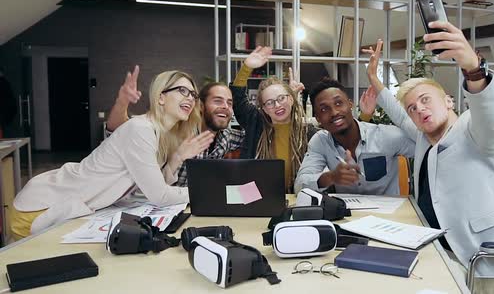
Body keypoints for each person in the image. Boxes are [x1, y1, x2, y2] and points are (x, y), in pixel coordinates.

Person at [364, 21, 494, 276]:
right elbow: (398, 113)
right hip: (432, 250)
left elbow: (490, 116)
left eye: (425, 100)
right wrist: (375, 79)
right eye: (413, 108)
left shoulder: (474, 130)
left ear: (449, 101)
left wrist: (473, 68)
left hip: (480, 262)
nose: (419, 109)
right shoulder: (423, 136)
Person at [10, 70, 213, 239]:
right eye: (182, 91)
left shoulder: (161, 135)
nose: (190, 98)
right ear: (161, 97)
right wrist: (211, 192)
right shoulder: (140, 129)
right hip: (41, 207)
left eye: (193, 95)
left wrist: (177, 157)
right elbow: (159, 195)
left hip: (72, 206)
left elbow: (153, 187)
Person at [106, 65, 245, 187]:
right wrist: (122, 102)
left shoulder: (226, 137)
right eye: (218, 101)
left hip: (196, 205)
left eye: (229, 103)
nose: (225, 107)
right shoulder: (178, 127)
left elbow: (258, 132)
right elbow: (119, 131)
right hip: (162, 204)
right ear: (201, 106)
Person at [294, 77, 415, 196]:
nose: (334, 112)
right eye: (324, 109)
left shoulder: (386, 136)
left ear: (350, 104)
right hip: (348, 215)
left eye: (338, 103)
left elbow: (426, 147)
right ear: (318, 119)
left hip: (392, 214)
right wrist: (331, 177)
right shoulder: (321, 141)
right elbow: (300, 185)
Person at [230, 46, 313, 193]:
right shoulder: (256, 123)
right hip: (257, 197)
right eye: (270, 102)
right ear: (264, 108)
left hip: (298, 198)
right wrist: (246, 68)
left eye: (281, 98)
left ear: (292, 99)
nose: (277, 105)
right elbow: (238, 99)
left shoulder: (308, 132)